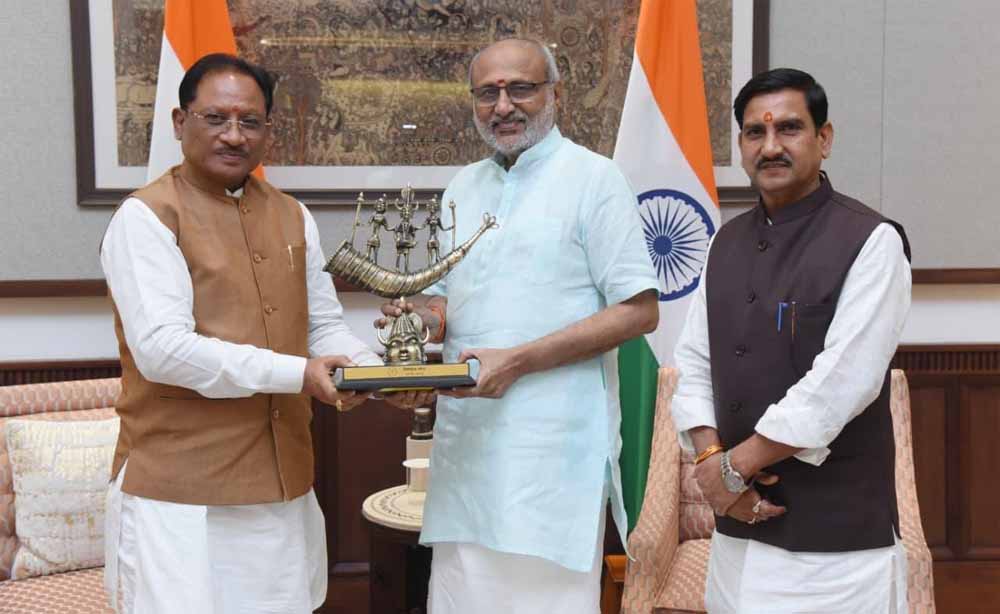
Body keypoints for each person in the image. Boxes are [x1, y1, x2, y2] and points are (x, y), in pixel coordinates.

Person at [100, 53, 410, 614]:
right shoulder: (145, 217)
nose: (234, 135)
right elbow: (164, 351)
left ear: (269, 130)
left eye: (250, 121)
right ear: (180, 122)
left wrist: (382, 377)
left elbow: (322, 326)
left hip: (281, 489)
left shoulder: (293, 214)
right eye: (216, 118)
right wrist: (301, 374)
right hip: (179, 499)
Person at [378, 38, 660, 613]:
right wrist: (417, 322)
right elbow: (447, 304)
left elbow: (639, 310)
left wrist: (519, 360)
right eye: (487, 93)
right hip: (468, 449)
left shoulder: (595, 178)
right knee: (461, 596)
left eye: (520, 89)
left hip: (552, 454)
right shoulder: (463, 186)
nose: (503, 106)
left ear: (556, 94)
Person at [671, 68, 912, 613]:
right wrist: (710, 460)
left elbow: (841, 385)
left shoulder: (872, 241)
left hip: (835, 553)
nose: (771, 146)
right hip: (736, 541)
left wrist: (731, 470)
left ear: (824, 139)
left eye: (789, 128)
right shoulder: (724, 242)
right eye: (755, 132)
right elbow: (694, 363)